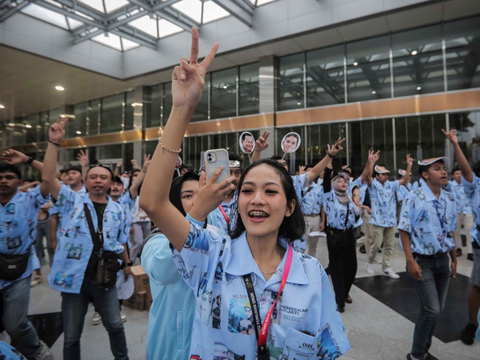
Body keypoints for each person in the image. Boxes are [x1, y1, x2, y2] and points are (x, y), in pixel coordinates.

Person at [140, 28, 350, 359]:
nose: (257, 199)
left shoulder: (312, 274)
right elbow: (152, 203)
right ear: (237, 202)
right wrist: (182, 108)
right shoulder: (211, 255)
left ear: (291, 205)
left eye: (271, 191)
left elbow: (326, 351)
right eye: (248, 190)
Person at [42, 118, 130, 360]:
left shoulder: (119, 210)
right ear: (85, 180)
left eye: (104, 177)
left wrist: (129, 265)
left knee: (115, 326)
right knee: (71, 335)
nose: (99, 181)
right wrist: (53, 143)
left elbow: (121, 242)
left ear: (110, 182)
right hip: (73, 278)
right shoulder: (72, 201)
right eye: (94, 177)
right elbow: (49, 177)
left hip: (105, 279)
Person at [141, 171, 227, 360]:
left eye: (202, 192)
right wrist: (197, 215)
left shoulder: (220, 237)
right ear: (171, 204)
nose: (199, 199)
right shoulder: (157, 241)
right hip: (173, 348)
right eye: (188, 196)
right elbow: (162, 271)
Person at [398, 155, 457, 360]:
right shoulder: (414, 196)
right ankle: (416, 354)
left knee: (437, 310)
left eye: (443, 168)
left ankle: (423, 350)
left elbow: (450, 229)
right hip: (422, 260)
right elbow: (404, 230)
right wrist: (410, 260)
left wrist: (454, 258)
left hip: (443, 259)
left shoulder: (448, 198)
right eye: (437, 169)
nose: (443, 172)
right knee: (431, 309)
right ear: (425, 174)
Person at [0, 160, 53, 359]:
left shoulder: (29, 199)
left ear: (19, 181)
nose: (3, 181)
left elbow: (49, 177)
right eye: (0, 178)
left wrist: (30, 159)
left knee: (15, 323)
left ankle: (35, 350)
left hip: (19, 270)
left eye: (9, 177)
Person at [443, 129, 480, 345]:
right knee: (478, 285)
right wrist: (456, 143)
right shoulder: (475, 185)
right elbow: (465, 169)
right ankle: (472, 323)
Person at [366, 154, 413, 278]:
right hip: (377, 220)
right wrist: (371, 162)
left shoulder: (392, 185)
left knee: (389, 246)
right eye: (383, 174)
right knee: (376, 244)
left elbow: (405, 179)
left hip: (391, 221)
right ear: (377, 176)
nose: (386, 176)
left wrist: (409, 165)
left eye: (387, 173)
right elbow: (367, 176)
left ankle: (386, 267)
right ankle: (370, 262)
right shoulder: (373, 185)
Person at [323, 165, 361, 313]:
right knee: (337, 268)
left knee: (352, 267)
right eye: (339, 181)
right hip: (335, 235)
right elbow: (326, 183)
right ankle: (340, 301)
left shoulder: (349, 199)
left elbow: (354, 215)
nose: (343, 183)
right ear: (334, 184)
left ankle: (345, 293)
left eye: (345, 181)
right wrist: (327, 170)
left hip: (349, 234)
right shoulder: (330, 196)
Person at [448, 168, 474, 260]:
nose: (459, 175)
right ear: (453, 176)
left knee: (470, 231)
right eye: (457, 173)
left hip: (468, 210)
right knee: (456, 231)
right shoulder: (450, 185)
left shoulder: (467, 184)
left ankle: (470, 252)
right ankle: (458, 248)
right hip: (455, 211)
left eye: (460, 173)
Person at [298, 164, 323, 257]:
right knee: (302, 244)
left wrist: (323, 221)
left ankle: (311, 264)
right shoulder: (299, 187)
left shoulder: (319, 188)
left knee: (313, 244)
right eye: (308, 171)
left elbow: (322, 205)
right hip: (303, 218)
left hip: (316, 218)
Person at [214, 152, 243, 233]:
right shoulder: (210, 200)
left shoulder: (245, 198)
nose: (234, 177)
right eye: (229, 172)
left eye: (237, 173)